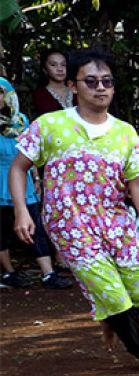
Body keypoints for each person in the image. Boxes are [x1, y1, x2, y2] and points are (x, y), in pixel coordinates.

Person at [9, 48, 139, 375]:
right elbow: (19, 167)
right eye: (91, 81)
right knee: (110, 291)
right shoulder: (50, 125)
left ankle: (112, 319)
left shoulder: (125, 133)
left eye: (107, 81)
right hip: (69, 225)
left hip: (116, 221)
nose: (100, 88)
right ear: (72, 85)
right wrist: (22, 211)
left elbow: (137, 184)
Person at [0, 77, 71, 290]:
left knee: (36, 227)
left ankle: (48, 273)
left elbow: (31, 153)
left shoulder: (21, 121)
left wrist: (37, 177)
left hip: (23, 181)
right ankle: (8, 273)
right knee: (1, 230)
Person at [31, 49, 74, 115]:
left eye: (63, 65)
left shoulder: (78, 92)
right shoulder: (39, 95)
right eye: (53, 65)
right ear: (45, 69)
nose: (60, 69)